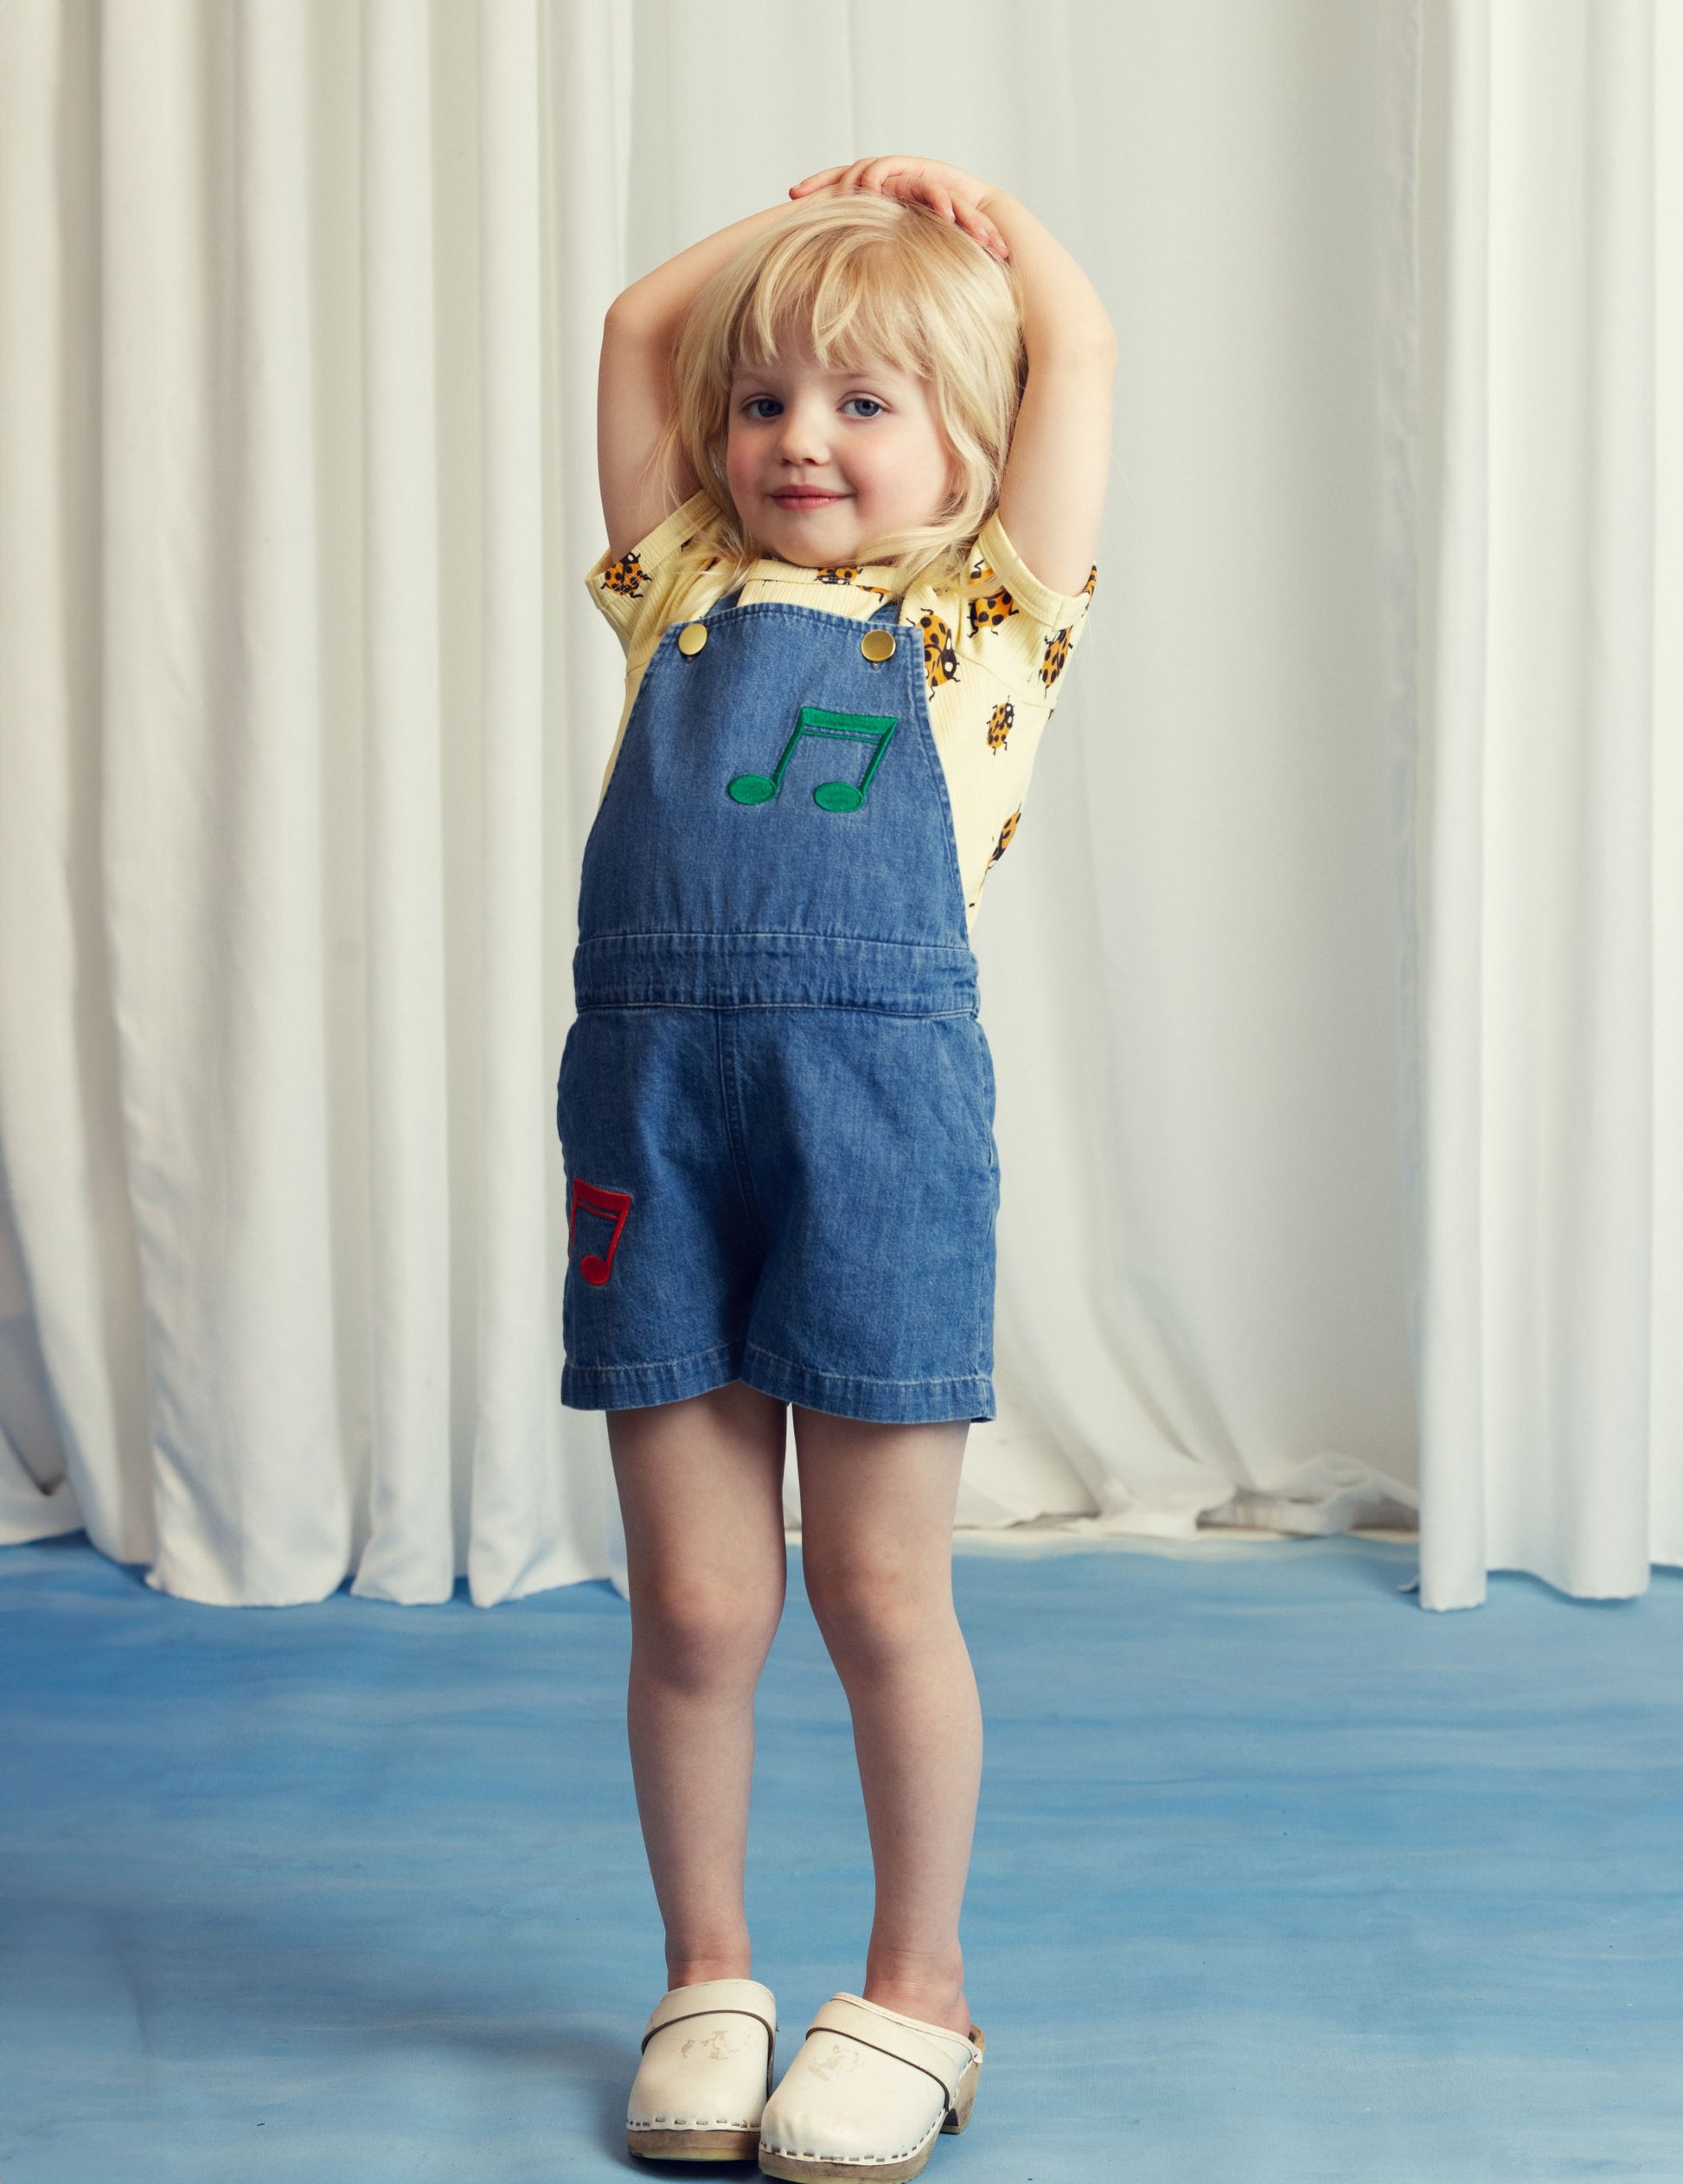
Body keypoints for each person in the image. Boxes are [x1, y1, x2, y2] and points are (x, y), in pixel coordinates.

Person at [557, 154, 1114, 2181]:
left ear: (970, 449)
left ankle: (919, 1991)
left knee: (879, 1588)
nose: (800, 439)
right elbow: (634, 331)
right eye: (768, 399)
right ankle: (707, 1973)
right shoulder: (677, 591)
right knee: (697, 1605)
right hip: (655, 1118)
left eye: (865, 403)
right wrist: (791, 225)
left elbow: (1089, 353)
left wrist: (972, 226)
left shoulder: (989, 626)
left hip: (878, 1127)